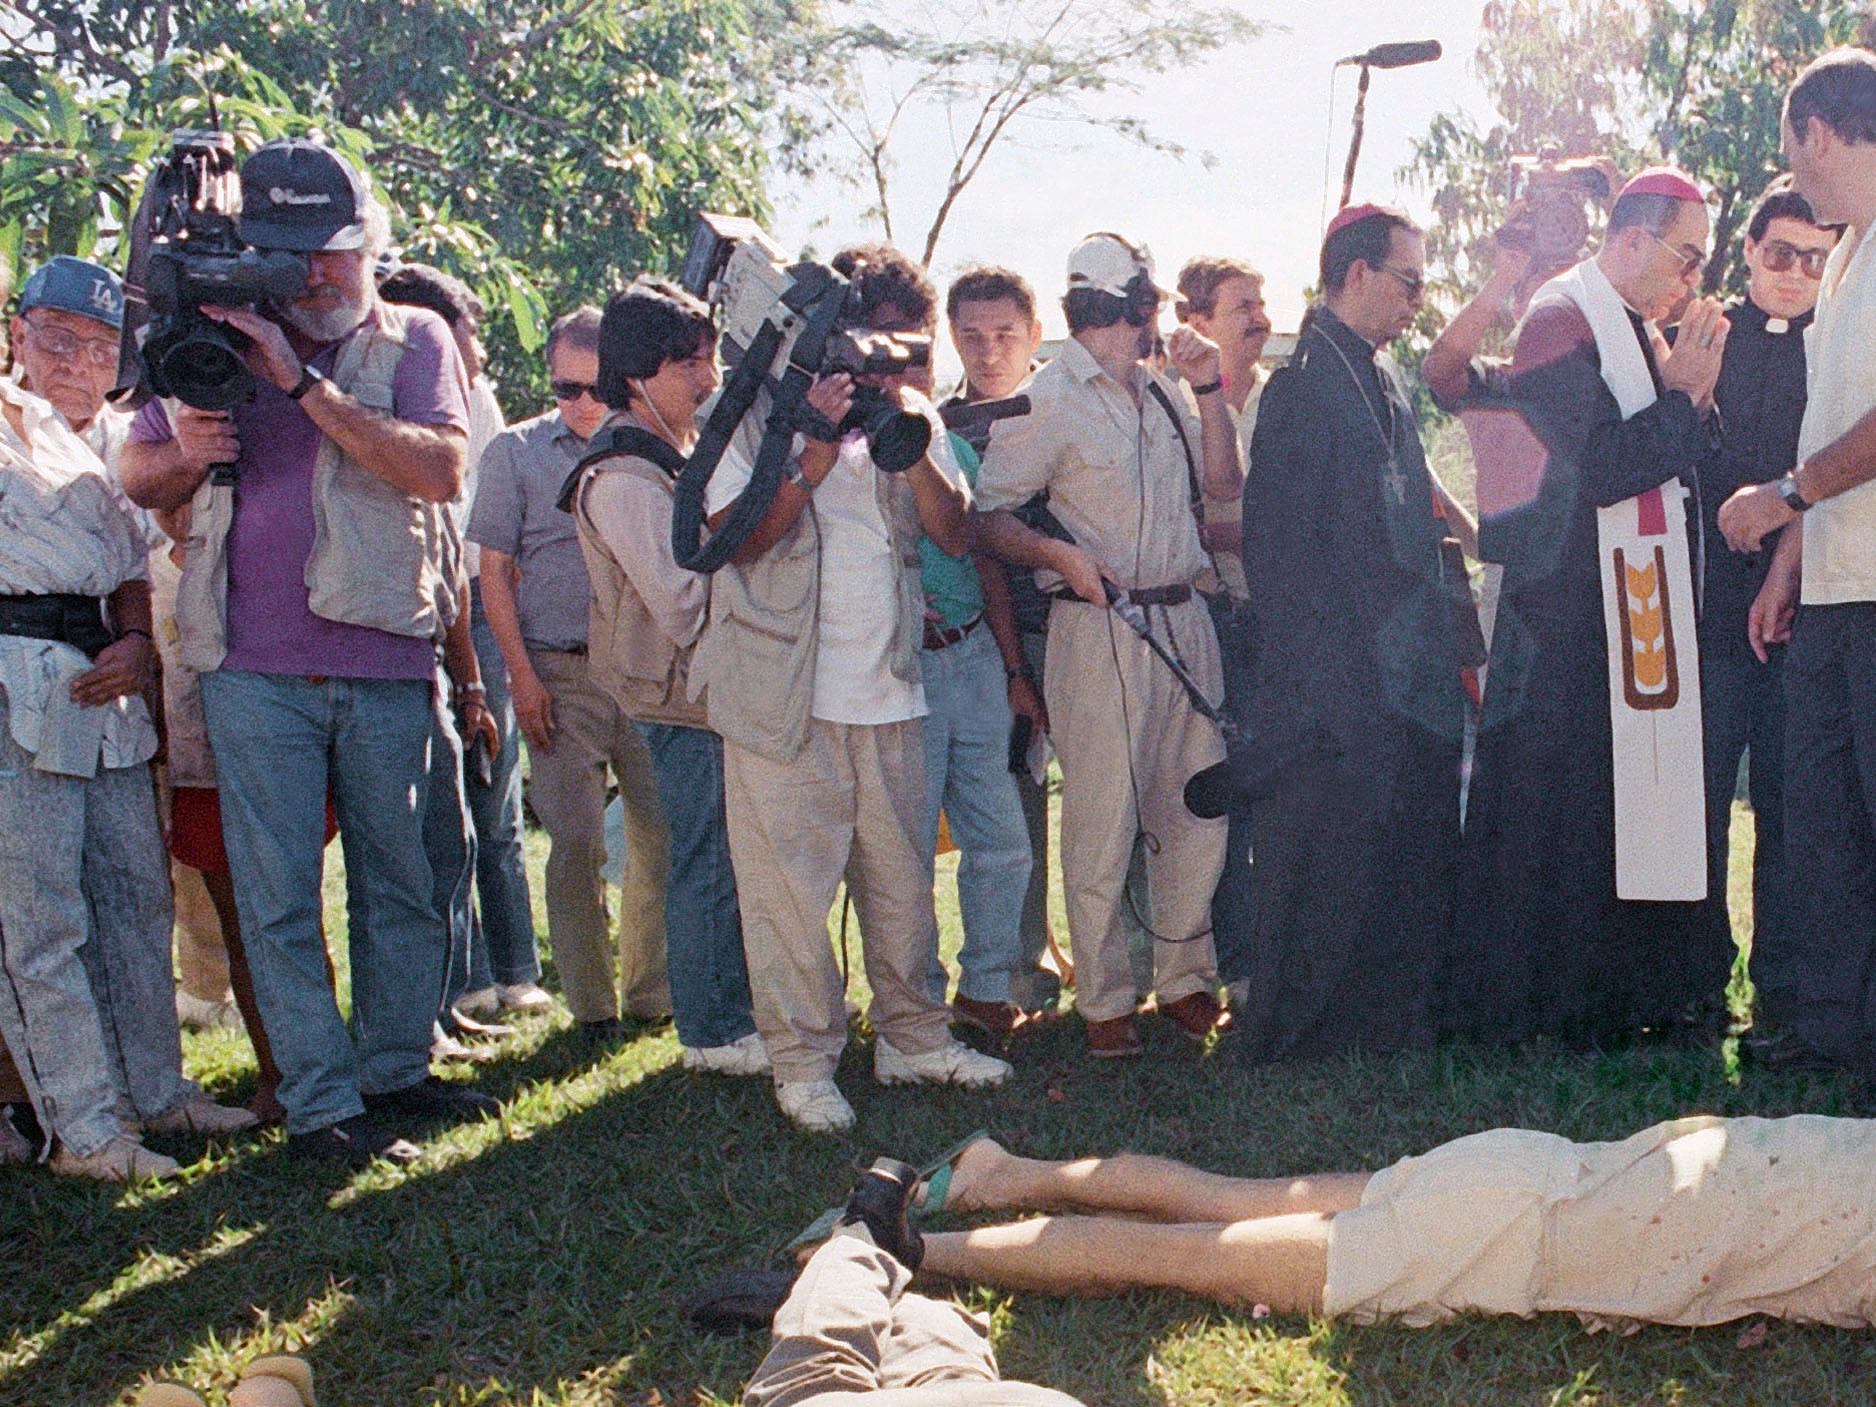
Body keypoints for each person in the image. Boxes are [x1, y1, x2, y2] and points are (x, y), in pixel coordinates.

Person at [121, 137, 498, 1168]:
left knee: (401, 880)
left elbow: (436, 469)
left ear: (369, 244)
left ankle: (395, 1072)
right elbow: (139, 473)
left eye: (332, 253)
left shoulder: (413, 338)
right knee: (278, 892)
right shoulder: (210, 335)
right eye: (292, 255)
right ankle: (324, 1106)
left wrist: (299, 387)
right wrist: (187, 453)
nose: (315, 277)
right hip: (248, 662)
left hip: (383, 656)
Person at [690, 242, 1011, 1131]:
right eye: (876, 344)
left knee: (904, 881)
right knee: (790, 894)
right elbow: (729, 538)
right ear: (831, 336)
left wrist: (909, 441)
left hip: (893, 688)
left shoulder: (912, 415)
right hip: (785, 696)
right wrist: (812, 458)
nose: (890, 363)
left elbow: (956, 534)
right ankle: (801, 1061)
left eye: (908, 347)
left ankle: (913, 1038)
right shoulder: (748, 410)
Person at [1427, 169, 1732, 1047]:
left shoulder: (1633, 322)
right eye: (1687, 255)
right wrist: (1682, 399)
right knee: (1557, 817)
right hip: (1563, 621)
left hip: (1613, 612)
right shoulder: (1562, 316)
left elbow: (1669, 452)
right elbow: (1594, 469)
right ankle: (1544, 1007)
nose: (1694, 277)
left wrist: (1688, 398)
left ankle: (1615, 993)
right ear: (1631, 240)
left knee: (1614, 808)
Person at [0, 268, 253, 1183]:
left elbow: (131, 572)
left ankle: (155, 1090)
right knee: (40, 919)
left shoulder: (118, 436)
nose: (77, 361)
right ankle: (80, 1127)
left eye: (99, 344)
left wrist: (141, 643)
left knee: (134, 894)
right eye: (56, 338)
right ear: (19, 335)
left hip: (109, 681)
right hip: (17, 677)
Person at [974, 233, 1237, 1059]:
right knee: (1102, 816)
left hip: (1182, 617)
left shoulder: (1162, 394)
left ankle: (1186, 978)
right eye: (1137, 303)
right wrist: (1058, 556)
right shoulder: (1051, 398)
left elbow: (1223, 483)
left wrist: (1209, 390)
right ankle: (1105, 997)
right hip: (1100, 626)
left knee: (1196, 804)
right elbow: (988, 517)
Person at [1226, 207, 1472, 1063]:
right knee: (1319, 864)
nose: (1417, 299)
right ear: (1357, 274)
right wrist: (1334, 681)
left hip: (1400, 669)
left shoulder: (1384, 375)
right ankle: (1299, 1036)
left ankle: (1382, 1021)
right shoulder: (1300, 387)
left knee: (1394, 853)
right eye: (1408, 280)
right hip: (1327, 683)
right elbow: (1280, 557)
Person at [903, 1119, 1876, 1331]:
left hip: (1534, 1165)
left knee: (1235, 1196)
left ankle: (1003, 1173)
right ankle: (908, 1251)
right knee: (1185, 1257)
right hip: (1513, 1237)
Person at [1718, 48, 1876, 1076]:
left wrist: (1782, 496)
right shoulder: (1851, 249)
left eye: (1790, 148)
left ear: (1816, 130)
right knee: (1822, 826)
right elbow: (1831, 414)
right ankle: (1826, 1031)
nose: (1793, 169)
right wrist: (1788, 566)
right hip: (1830, 588)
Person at [564, 276, 767, 1074]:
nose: (708, 380)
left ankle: (734, 1008)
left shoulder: (656, 456)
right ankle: (713, 1030)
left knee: (723, 853)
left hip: (699, 692)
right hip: (678, 697)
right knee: (707, 858)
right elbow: (682, 602)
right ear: (643, 372)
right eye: (693, 364)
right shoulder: (621, 476)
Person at [471, 306, 672, 1040]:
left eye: (595, 387)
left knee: (660, 830)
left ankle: (652, 994)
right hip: (557, 666)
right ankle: (592, 1007)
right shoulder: (513, 453)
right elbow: (494, 573)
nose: (582, 403)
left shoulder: (653, 449)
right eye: (565, 387)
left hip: (645, 670)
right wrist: (521, 678)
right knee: (578, 840)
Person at [377, 262, 549, 1021]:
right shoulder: (383, 398)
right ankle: (463, 977)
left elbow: (481, 524)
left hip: (477, 605)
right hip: (418, 610)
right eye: (465, 334)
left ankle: (515, 967)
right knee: (435, 808)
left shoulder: (473, 399)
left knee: (495, 794)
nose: (475, 351)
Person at [1693, 186, 1839, 1051]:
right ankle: (1695, 981)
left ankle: (1784, 998)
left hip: (1801, 610)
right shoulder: (1706, 337)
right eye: (1778, 254)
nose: (1793, 274)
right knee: (1700, 801)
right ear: (1747, 251)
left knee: (1793, 808)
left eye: (1813, 259)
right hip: (1709, 606)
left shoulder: (1842, 347)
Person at [911, 282, 1035, 1038]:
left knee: (1003, 840)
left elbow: (981, 555)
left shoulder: (947, 443)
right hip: (905, 668)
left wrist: (1015, 670)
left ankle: (987, 989)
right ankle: (917, 998)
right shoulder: (849, 457)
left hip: (977, 655)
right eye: (968, 335)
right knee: (911, 848)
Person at [941, 267, 1065, 1021]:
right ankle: (1024, 963)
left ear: (1035, 335)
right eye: (972, 337)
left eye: (1006, 335)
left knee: (1106, 802)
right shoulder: (938, 426)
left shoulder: (1065, 405)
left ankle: (1127, 965)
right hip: (992, 641)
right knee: (1015, 804)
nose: (990, 352)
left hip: (1078, 625)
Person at [1172, 255, 1271, 1010]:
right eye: (1243, 304)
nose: (1261, 315)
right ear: (1199, 320)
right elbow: (1211, 522)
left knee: (1285, 797)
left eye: (1262, 301)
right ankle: (1232, 968)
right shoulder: (1180, 405)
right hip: (1219, 624)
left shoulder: (1279, 397)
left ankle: (1278, 952)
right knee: (1229, 798)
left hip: (1281, 628)